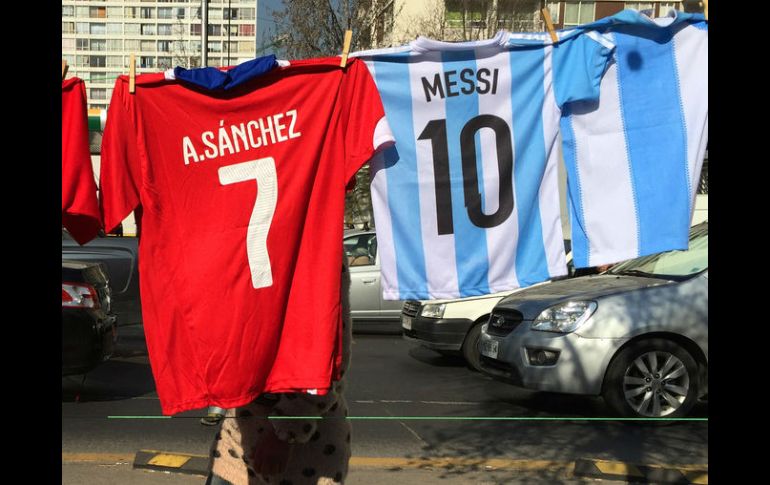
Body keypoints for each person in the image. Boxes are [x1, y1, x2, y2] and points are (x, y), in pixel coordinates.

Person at [205, 252, 353, 485]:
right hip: (238, 434)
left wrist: (286, 432)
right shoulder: (245, 239)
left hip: (307, 448)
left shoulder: (320, 246)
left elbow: (328, 357)